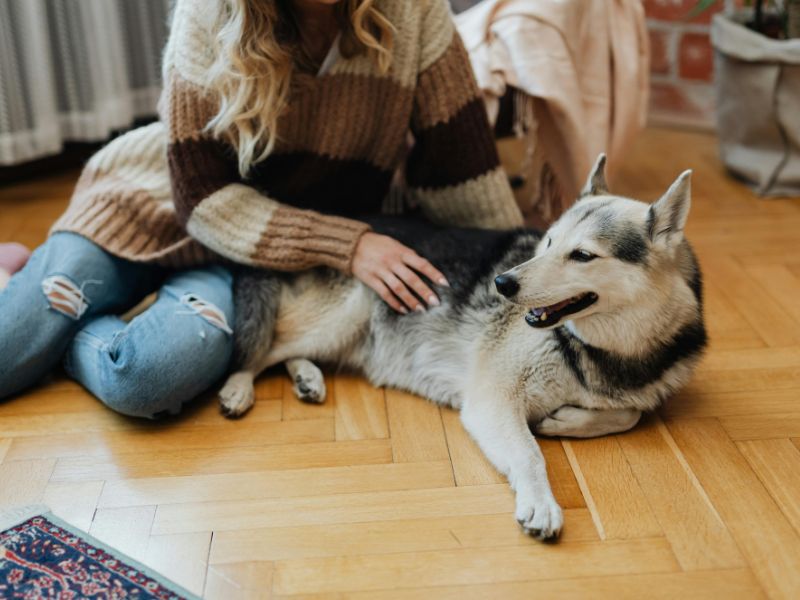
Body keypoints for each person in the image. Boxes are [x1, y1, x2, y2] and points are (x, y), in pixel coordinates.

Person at [0, 0, 522, 418]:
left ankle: (58, 327)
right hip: (148, 210)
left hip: (256, 265)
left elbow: (463, 175)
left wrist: (524, 280)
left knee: (142, 379)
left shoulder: (414, 13)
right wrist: (350, 243)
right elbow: (201, 198)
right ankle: (22, 289)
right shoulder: (206, 12)